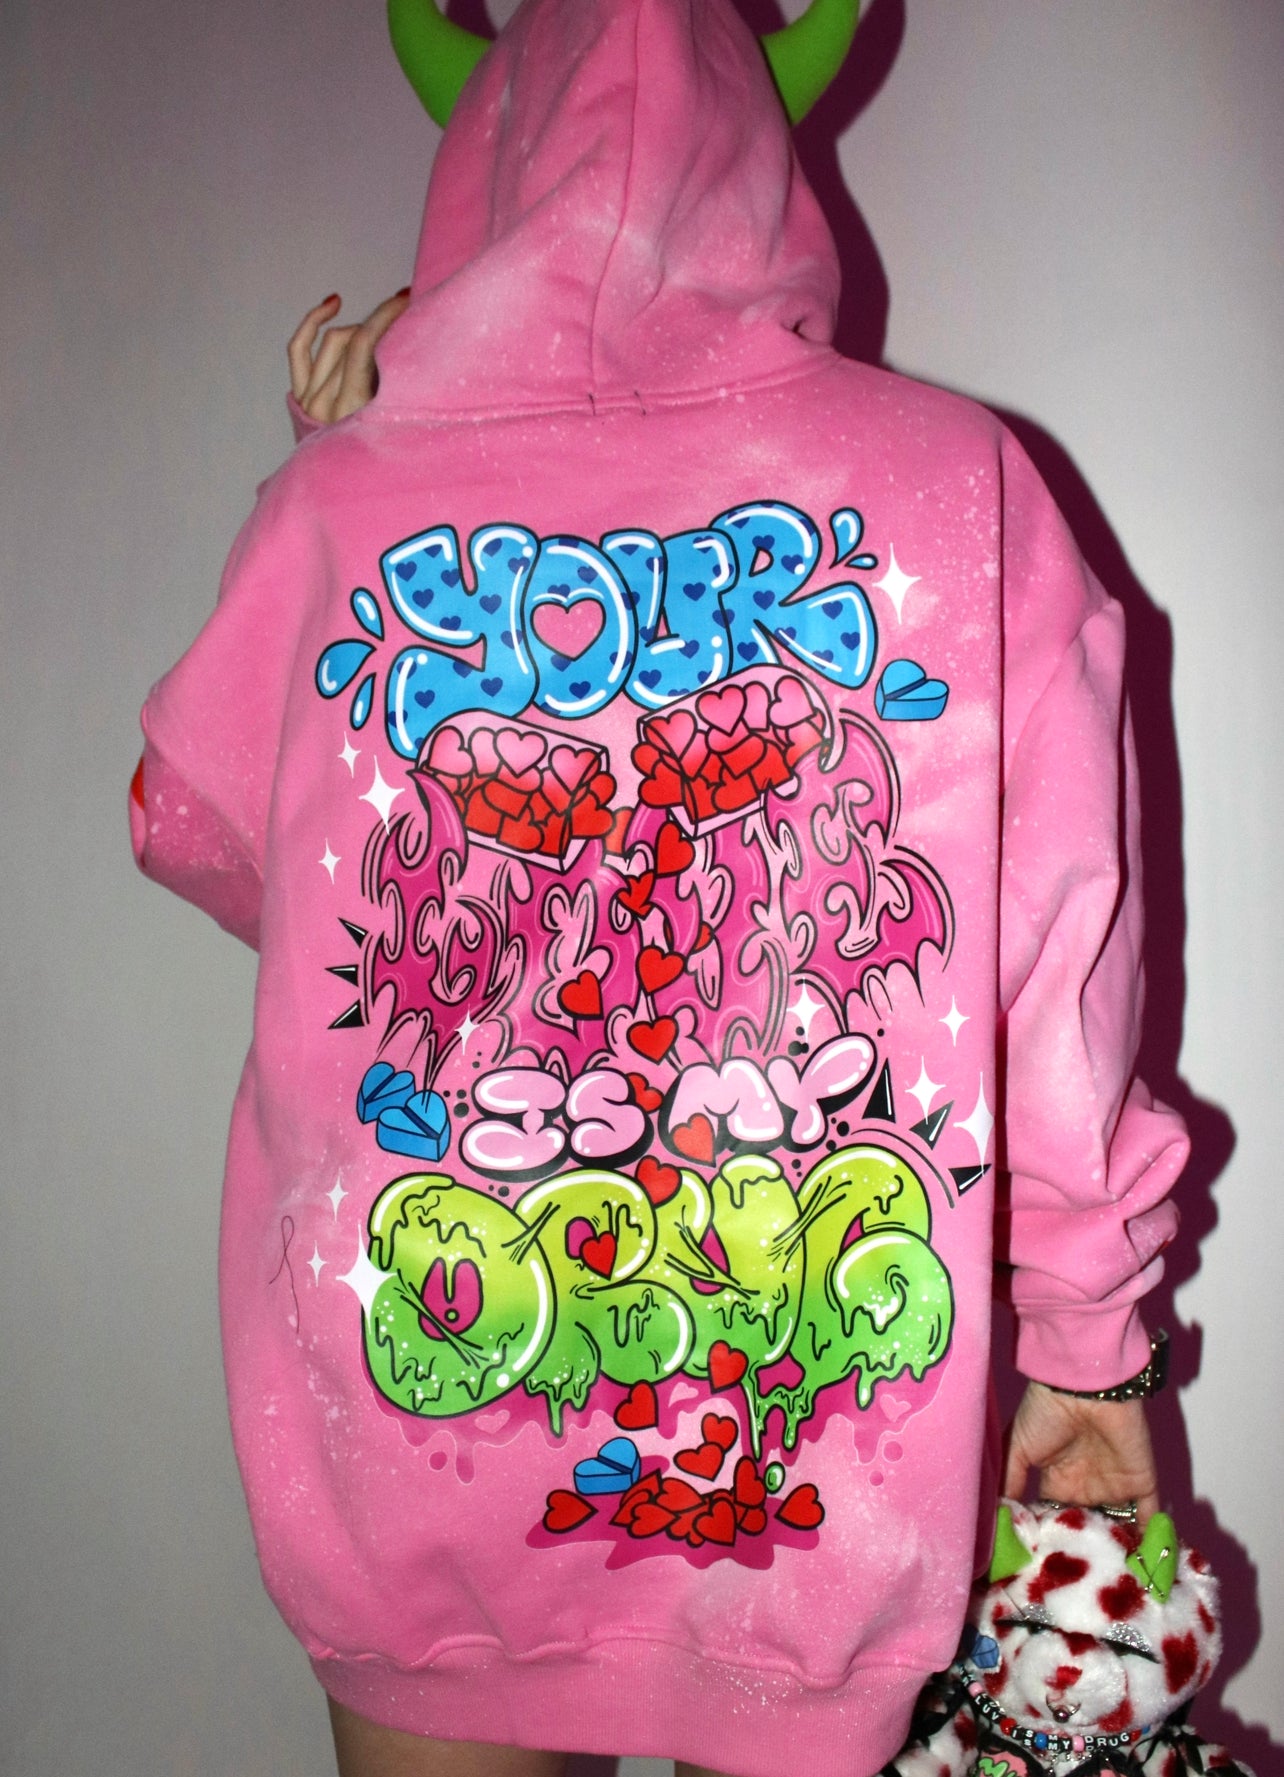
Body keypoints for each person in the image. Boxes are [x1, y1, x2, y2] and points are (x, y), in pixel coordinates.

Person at [131, 1, 1187, 1774]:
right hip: (816, 1497)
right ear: (759, 159)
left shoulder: (336, 513)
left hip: (411, 1464)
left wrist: (339, 472)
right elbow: (1063, 961)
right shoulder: (966, 489)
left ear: (483, 166)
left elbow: (212, 838)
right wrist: (1089, 1345)